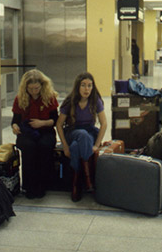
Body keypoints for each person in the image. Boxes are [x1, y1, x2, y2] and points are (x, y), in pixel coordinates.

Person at [56, 72, 107, 202]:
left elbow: (104, 124)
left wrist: (96, 145)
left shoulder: (95, 100)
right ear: (78, 87)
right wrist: (65, 147)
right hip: (73, 132)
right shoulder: (69, 101)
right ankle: (88, 179)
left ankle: (76, 183)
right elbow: (59, 125)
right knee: (79, 138)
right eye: (83, 85)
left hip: (89, 133)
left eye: (90, 86)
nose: (87, 89)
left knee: (76, 147)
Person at [11, 69, 59, 199]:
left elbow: (55, 120)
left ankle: (42, 185)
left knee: (44, 146)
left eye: (36, 88)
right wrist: (15, 127)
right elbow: (15, 121)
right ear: (25, 87)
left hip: (45, 130)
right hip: (27, 131)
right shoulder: (20, 99)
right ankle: (29, 186)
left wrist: (41, 123)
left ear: (42, 86)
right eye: (30, 88)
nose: (33, 91)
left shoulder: (50, 97)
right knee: (28, 147)